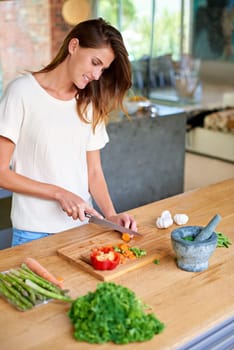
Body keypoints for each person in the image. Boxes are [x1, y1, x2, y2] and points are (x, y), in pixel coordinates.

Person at [0, 18, 137, 246]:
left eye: (103, 69)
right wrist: (59, 193)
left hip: (81, 231)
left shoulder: (89, 103)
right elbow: (2, 172)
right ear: (73, 46)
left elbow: (93, 171)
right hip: (33, 234)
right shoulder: (21, 92)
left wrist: (112, 215)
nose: (96, 75)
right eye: (95, 62)